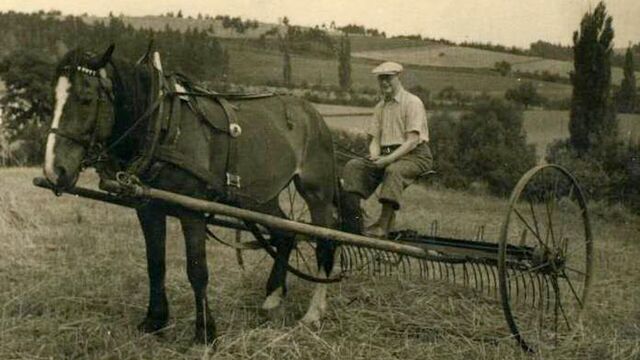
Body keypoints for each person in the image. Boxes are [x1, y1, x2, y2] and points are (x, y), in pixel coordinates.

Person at [342, 61, 433, 238]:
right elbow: (375, 139)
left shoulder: (413, 102)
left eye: (388, 78)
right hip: (387, 154)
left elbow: (412, 141)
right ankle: (353, 219)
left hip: (415, 155)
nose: (384, 83)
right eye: (381, 79)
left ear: (398, 78)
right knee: (353, 166)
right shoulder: (380, 107)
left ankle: (382, 226)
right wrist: (375, 156)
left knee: (393, 171)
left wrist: (387, 160)